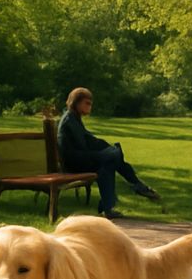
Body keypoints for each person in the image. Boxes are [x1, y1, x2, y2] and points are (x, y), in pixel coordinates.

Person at [57, 87, 161, 218]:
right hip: (74, 162)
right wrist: (105, 151)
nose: (90, 107)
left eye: (91, 104)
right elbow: (84, 144)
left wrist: (107, 148)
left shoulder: (73, 118)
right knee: (113, 157)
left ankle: (108, 207)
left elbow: (89, 139)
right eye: (87, 103)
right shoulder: (70, 120)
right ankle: (136, 186)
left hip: (81, 158)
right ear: (76, 103)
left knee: (110, 161)